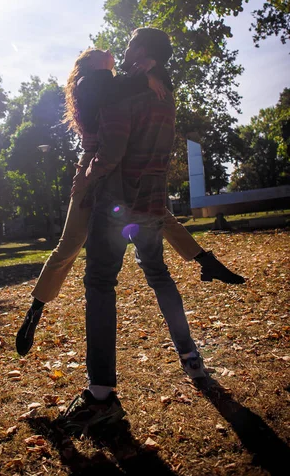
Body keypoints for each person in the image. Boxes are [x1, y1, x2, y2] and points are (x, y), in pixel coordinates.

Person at [15, 46, 245, 359]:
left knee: (160, 214)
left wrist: (150, 70)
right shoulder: (87, 84)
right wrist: (142, 79)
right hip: (92, 170)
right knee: (69, 245)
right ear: (89, 64)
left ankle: (206, 261)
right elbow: (116, 88)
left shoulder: (113, 82)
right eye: (100, 51)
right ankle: (35, 310)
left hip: (119, 168)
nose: (108, 49)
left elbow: (131, 86)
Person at [57, 28, 229, 435]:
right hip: (153, 205)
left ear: (144, 53)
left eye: (132, 44)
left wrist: (87, 180)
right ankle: (192, 359)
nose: (125, 49)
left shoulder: (122, 94)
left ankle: (100, 396)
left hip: (117, 206)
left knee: (99, 284)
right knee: (159, 276)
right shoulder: (164, 94)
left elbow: (113, 152)